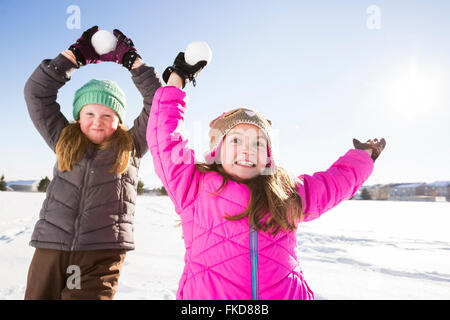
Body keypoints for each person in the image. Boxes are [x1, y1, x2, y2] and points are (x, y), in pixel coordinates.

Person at [146, 51, 386, 299]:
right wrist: (177, 79)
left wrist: (362, 157)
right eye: (236, 140)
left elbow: (332, 184)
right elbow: (165, 140)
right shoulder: (194, 187)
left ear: (269, 156)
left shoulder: (286, 192)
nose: (248, 150)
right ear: (217, 151)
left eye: (259, 143)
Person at [23, 26, 162, 299]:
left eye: (107, 114)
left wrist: (134, 63)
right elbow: (36, 94)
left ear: (119, 121)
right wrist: (72, 57)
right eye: (89, 112)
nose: (97, 120)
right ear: (77, 115)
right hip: (52, 246)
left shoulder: (131, 146)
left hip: (101, 253)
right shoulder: (64, 140)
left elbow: (158, 104)